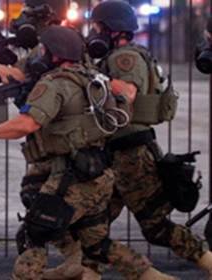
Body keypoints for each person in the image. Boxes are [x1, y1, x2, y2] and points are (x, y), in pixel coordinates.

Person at [0, 25, 172, 280]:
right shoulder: (95, 79)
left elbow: (27, 124)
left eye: (43, 50)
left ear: (53, 54)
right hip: (99, 174)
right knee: (97, 245)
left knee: (34, 232)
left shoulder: (55, 83)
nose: (39, 55)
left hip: (72, 178)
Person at [45, 1, 212, 279]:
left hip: (132, 152)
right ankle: (86, 271)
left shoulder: (126, 58)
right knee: (94, 221)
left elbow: (128, 92)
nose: (93, 32)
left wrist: (87, 75)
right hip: (116, 151)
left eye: (97, 27)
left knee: (154, 225)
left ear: (112, 29)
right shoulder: (116, 56)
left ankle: (207, 262)